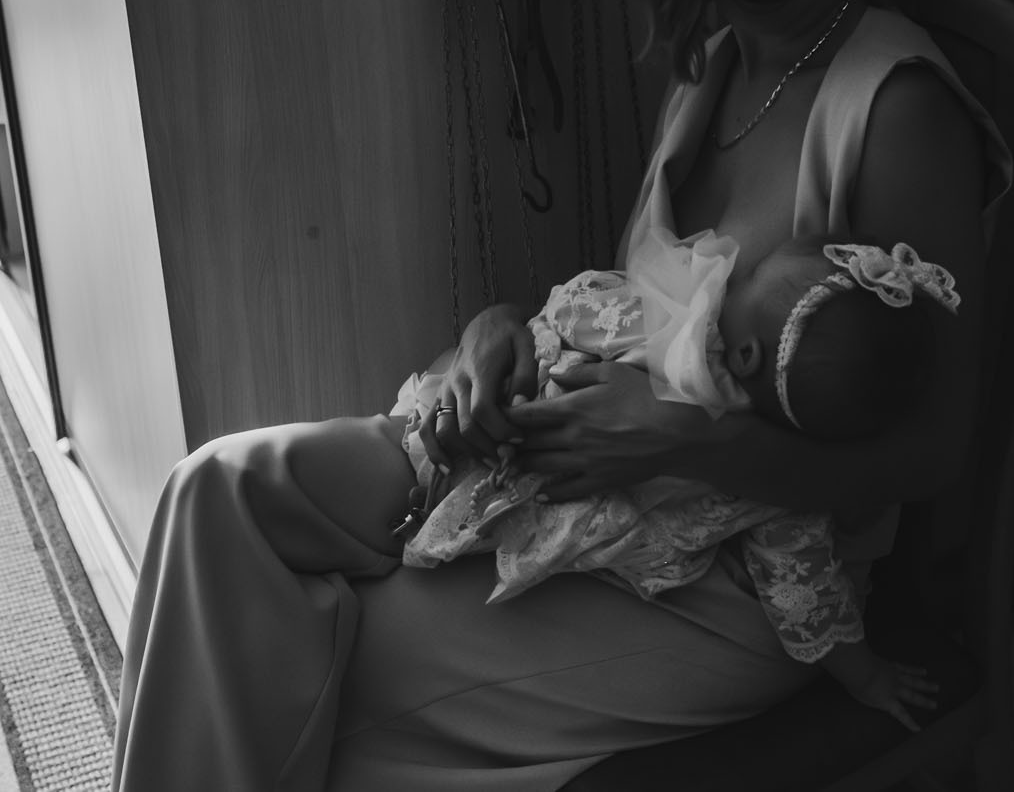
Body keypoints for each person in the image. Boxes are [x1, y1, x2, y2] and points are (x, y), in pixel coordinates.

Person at [111, 0, 1014, 791]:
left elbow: (932, 452)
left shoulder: (900, 113)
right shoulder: (710, 62)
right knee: (218, 492)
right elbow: (632, 305)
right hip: (559, 484)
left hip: (731, 582)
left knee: (308, 665)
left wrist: (685, 444)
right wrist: (492, 341)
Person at [397, 234, 962, 732]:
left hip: (479, 433)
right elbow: (806, 599)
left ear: (748, 352)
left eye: (745, 278)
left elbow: (571, 309)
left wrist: (528, 319)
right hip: (523, 531)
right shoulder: (782, 493)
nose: (728, 279)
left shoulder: (672, 327)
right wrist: (869, 678)